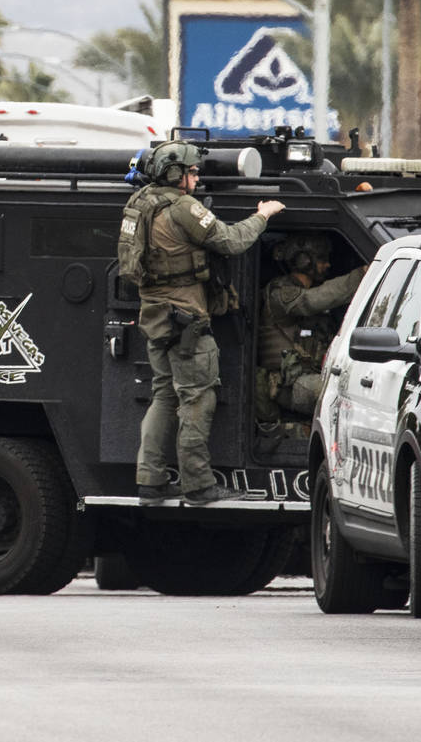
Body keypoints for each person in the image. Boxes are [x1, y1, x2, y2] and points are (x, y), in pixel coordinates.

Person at [120, 140, 285, 506]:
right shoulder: (181, 208)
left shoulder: (141, 203)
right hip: (186, 321)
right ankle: (198, 484)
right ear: (176, 174)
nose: (196, 178)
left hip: (156, 317)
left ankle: (150, 479)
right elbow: (230, 241)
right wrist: (263, 215)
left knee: (163, 395)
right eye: (192, 172)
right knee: (198, 398)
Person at [255, 234, 365, 436]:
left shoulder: (320, 305)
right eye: (322, 259)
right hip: (285, 384)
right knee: (342, 393)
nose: (328, 264)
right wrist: (363, 275)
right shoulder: (280, 294)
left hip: (313, 375)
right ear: (304, 261)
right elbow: (313, 300)